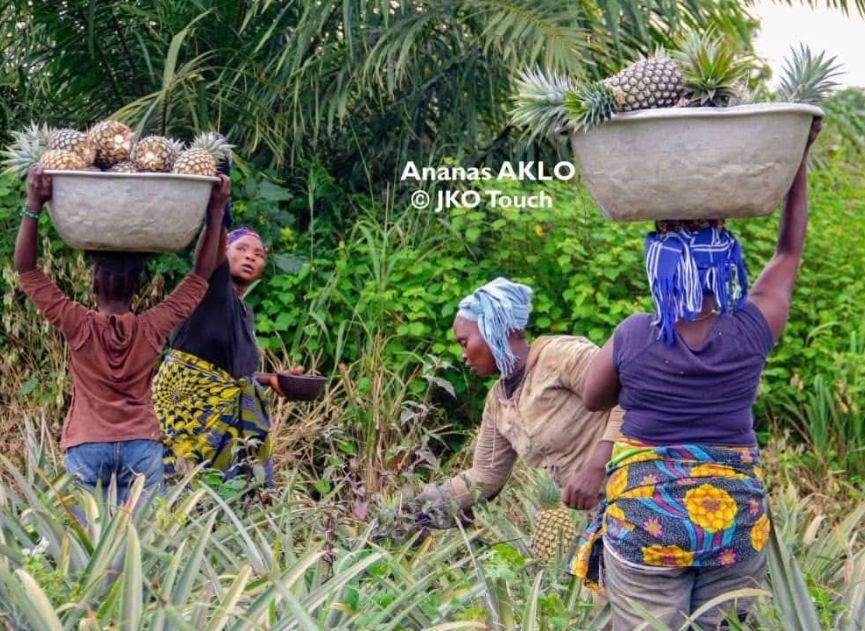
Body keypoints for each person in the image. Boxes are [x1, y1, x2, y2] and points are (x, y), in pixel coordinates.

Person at [572, 119, 822, 629]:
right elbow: (788, 252)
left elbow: (593, 399)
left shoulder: (633, 335)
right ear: (723, 267)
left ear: (657, 272)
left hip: (648, 522)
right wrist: (798, 158)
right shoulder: (753, 329)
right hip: (733, 522)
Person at [14, 167, 227, 503]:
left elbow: (26, 269)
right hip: (141, 444)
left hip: (87, 442)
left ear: (94, 284)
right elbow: (201, 275)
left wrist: (34, 203)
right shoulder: (153, 326)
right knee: (140, 544)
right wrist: (215, 213)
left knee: (88, 545)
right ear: (137, 287)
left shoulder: (77, 324)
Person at [414, 277, 624, 524]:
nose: (463, 355)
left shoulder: (557, 356)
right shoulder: (498, 401)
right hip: (592, 520)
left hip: (633, 495)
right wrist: (423, 504)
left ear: (493, 327)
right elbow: (486, 475)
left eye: (464, 342)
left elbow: (629, 394)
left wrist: (597, 466)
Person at [152, 200, 299, 488]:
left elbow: (227, 375)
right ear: (222, 254)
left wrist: (269, 380)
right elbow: (210, 256)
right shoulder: (207, 291)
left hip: (225, 426)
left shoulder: (243, 312)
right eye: (240, 249)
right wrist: (220, 207)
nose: (250, 257)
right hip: (189, 414)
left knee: (221, 497)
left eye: (258, 254)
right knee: (178, 490)